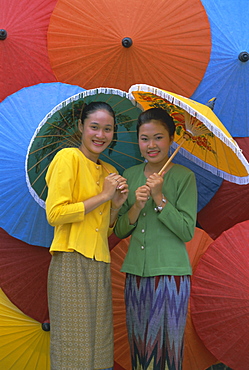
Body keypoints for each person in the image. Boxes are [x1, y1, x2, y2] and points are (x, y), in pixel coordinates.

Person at [45, 101, 128, 370]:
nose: (100, 135)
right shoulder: (67, 158)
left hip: (100, 262)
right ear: (81, 127)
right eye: (94, 127)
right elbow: (55, 214)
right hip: (70, 260)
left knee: (99, 345)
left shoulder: (109, 172)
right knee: (73, 345)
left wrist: (114, 206)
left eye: (107, 129)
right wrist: (103, 196)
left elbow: (105, 229)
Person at [114, 107, 197, 370]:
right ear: (138, 141)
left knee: (168, 349)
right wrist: (136, 206)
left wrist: (160, 198)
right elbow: (119, 230)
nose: (151, 145)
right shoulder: (130, 176)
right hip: (136, 273)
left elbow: (186, 230)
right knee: (141, 348)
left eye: (159, 137)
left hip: (171, 275)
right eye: (145, 138)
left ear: (172, 139)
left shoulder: (185, 177)